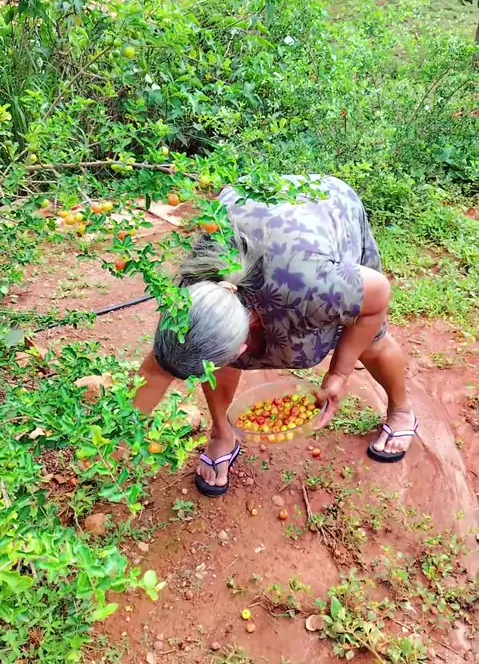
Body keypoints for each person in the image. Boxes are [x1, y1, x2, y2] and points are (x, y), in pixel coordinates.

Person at [134, 175, 417, 498]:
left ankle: (401, 410)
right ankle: (222, 434)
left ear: (242, 348)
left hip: (326, 208)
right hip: (251, 211)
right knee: (212, 355)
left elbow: (378, 296)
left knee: (371, 342)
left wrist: (339, 373)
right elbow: (155, 372)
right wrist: (115, 441)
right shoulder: (189, 296)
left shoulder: (315, 288)